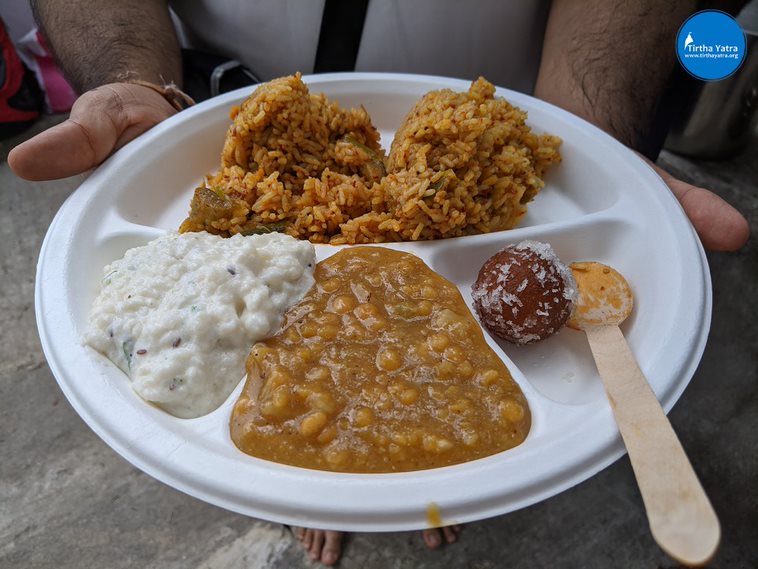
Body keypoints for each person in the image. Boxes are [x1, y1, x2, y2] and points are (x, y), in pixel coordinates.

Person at [9, 0, 749, 565]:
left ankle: (401, 472)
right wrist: (131, 83)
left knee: (410, 438)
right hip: (203, 98)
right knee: (319, 440)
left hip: (521, 89)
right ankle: (345, 477)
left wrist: (591, 139)